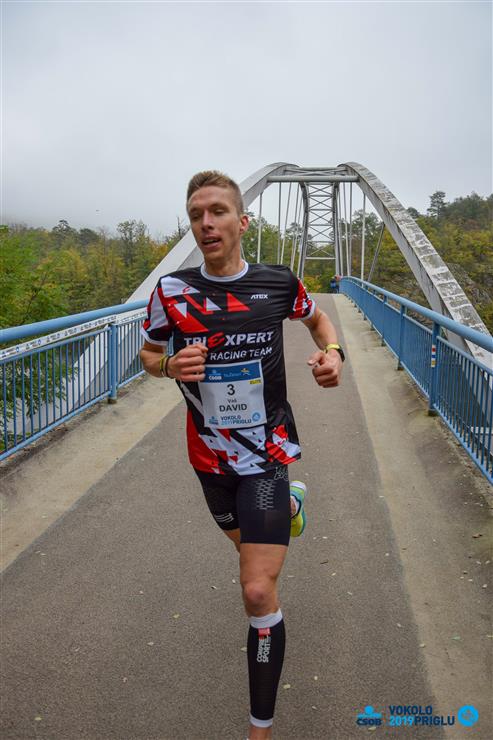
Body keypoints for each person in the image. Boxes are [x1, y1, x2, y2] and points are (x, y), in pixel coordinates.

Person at [139, 171, 344, 739]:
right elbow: (149, 355)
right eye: (196, 215)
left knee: (256, 588)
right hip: (208, 460)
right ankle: (291, 510)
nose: (206, 223)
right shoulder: (171, 291)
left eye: (218, 211)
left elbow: (318, 320)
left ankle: (260, 729)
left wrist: (333, 353)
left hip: (266, 454)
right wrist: (168, 366)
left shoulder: (278, 283)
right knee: (246, 548)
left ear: (242, 221)